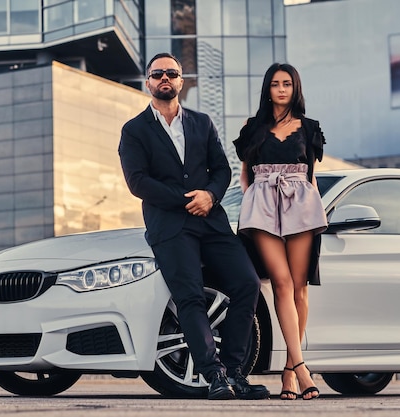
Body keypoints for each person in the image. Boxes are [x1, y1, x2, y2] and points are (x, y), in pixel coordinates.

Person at [119, 52, 269, 401]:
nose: (165, 79)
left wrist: (211, 196)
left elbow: (222, 170)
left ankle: (235, 373)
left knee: (247, 284)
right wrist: (188, 198)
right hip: (170, 226)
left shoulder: (202, 123)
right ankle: (213, 376)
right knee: (189, 297)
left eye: (172, 73)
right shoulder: (134, 130)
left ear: (181, 81)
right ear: (148, 83)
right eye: (158, 74)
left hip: (211, 221)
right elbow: (138, 182)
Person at [233, 63, 327, 400]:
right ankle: (303, 368)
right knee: (282, 283)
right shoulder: (252, 127)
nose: (282, 89)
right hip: (262, 204)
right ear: (267, 89)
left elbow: (311, 175)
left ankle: (289, 370)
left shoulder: (310, 128)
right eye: (275, 84)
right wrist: (255, 202)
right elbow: (245, 175)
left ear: (295, 87)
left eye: (287, 84)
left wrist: (313, 210)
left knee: (300, 290)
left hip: (300, 202)